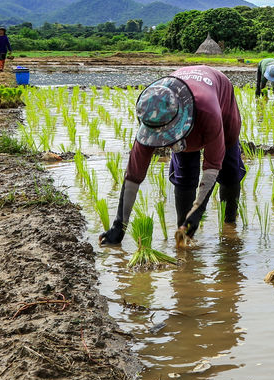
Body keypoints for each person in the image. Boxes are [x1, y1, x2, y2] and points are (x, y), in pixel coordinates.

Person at [99, 65, 245, 246]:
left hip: (220, 100)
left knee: (229, 169)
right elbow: (133, 176)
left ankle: (229, 225)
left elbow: (213, 164)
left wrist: (198, 210)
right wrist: (118, 226)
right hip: (184, 104)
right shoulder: (153, 114)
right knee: (184, 174)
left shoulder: (209, 111)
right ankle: (183, 232)